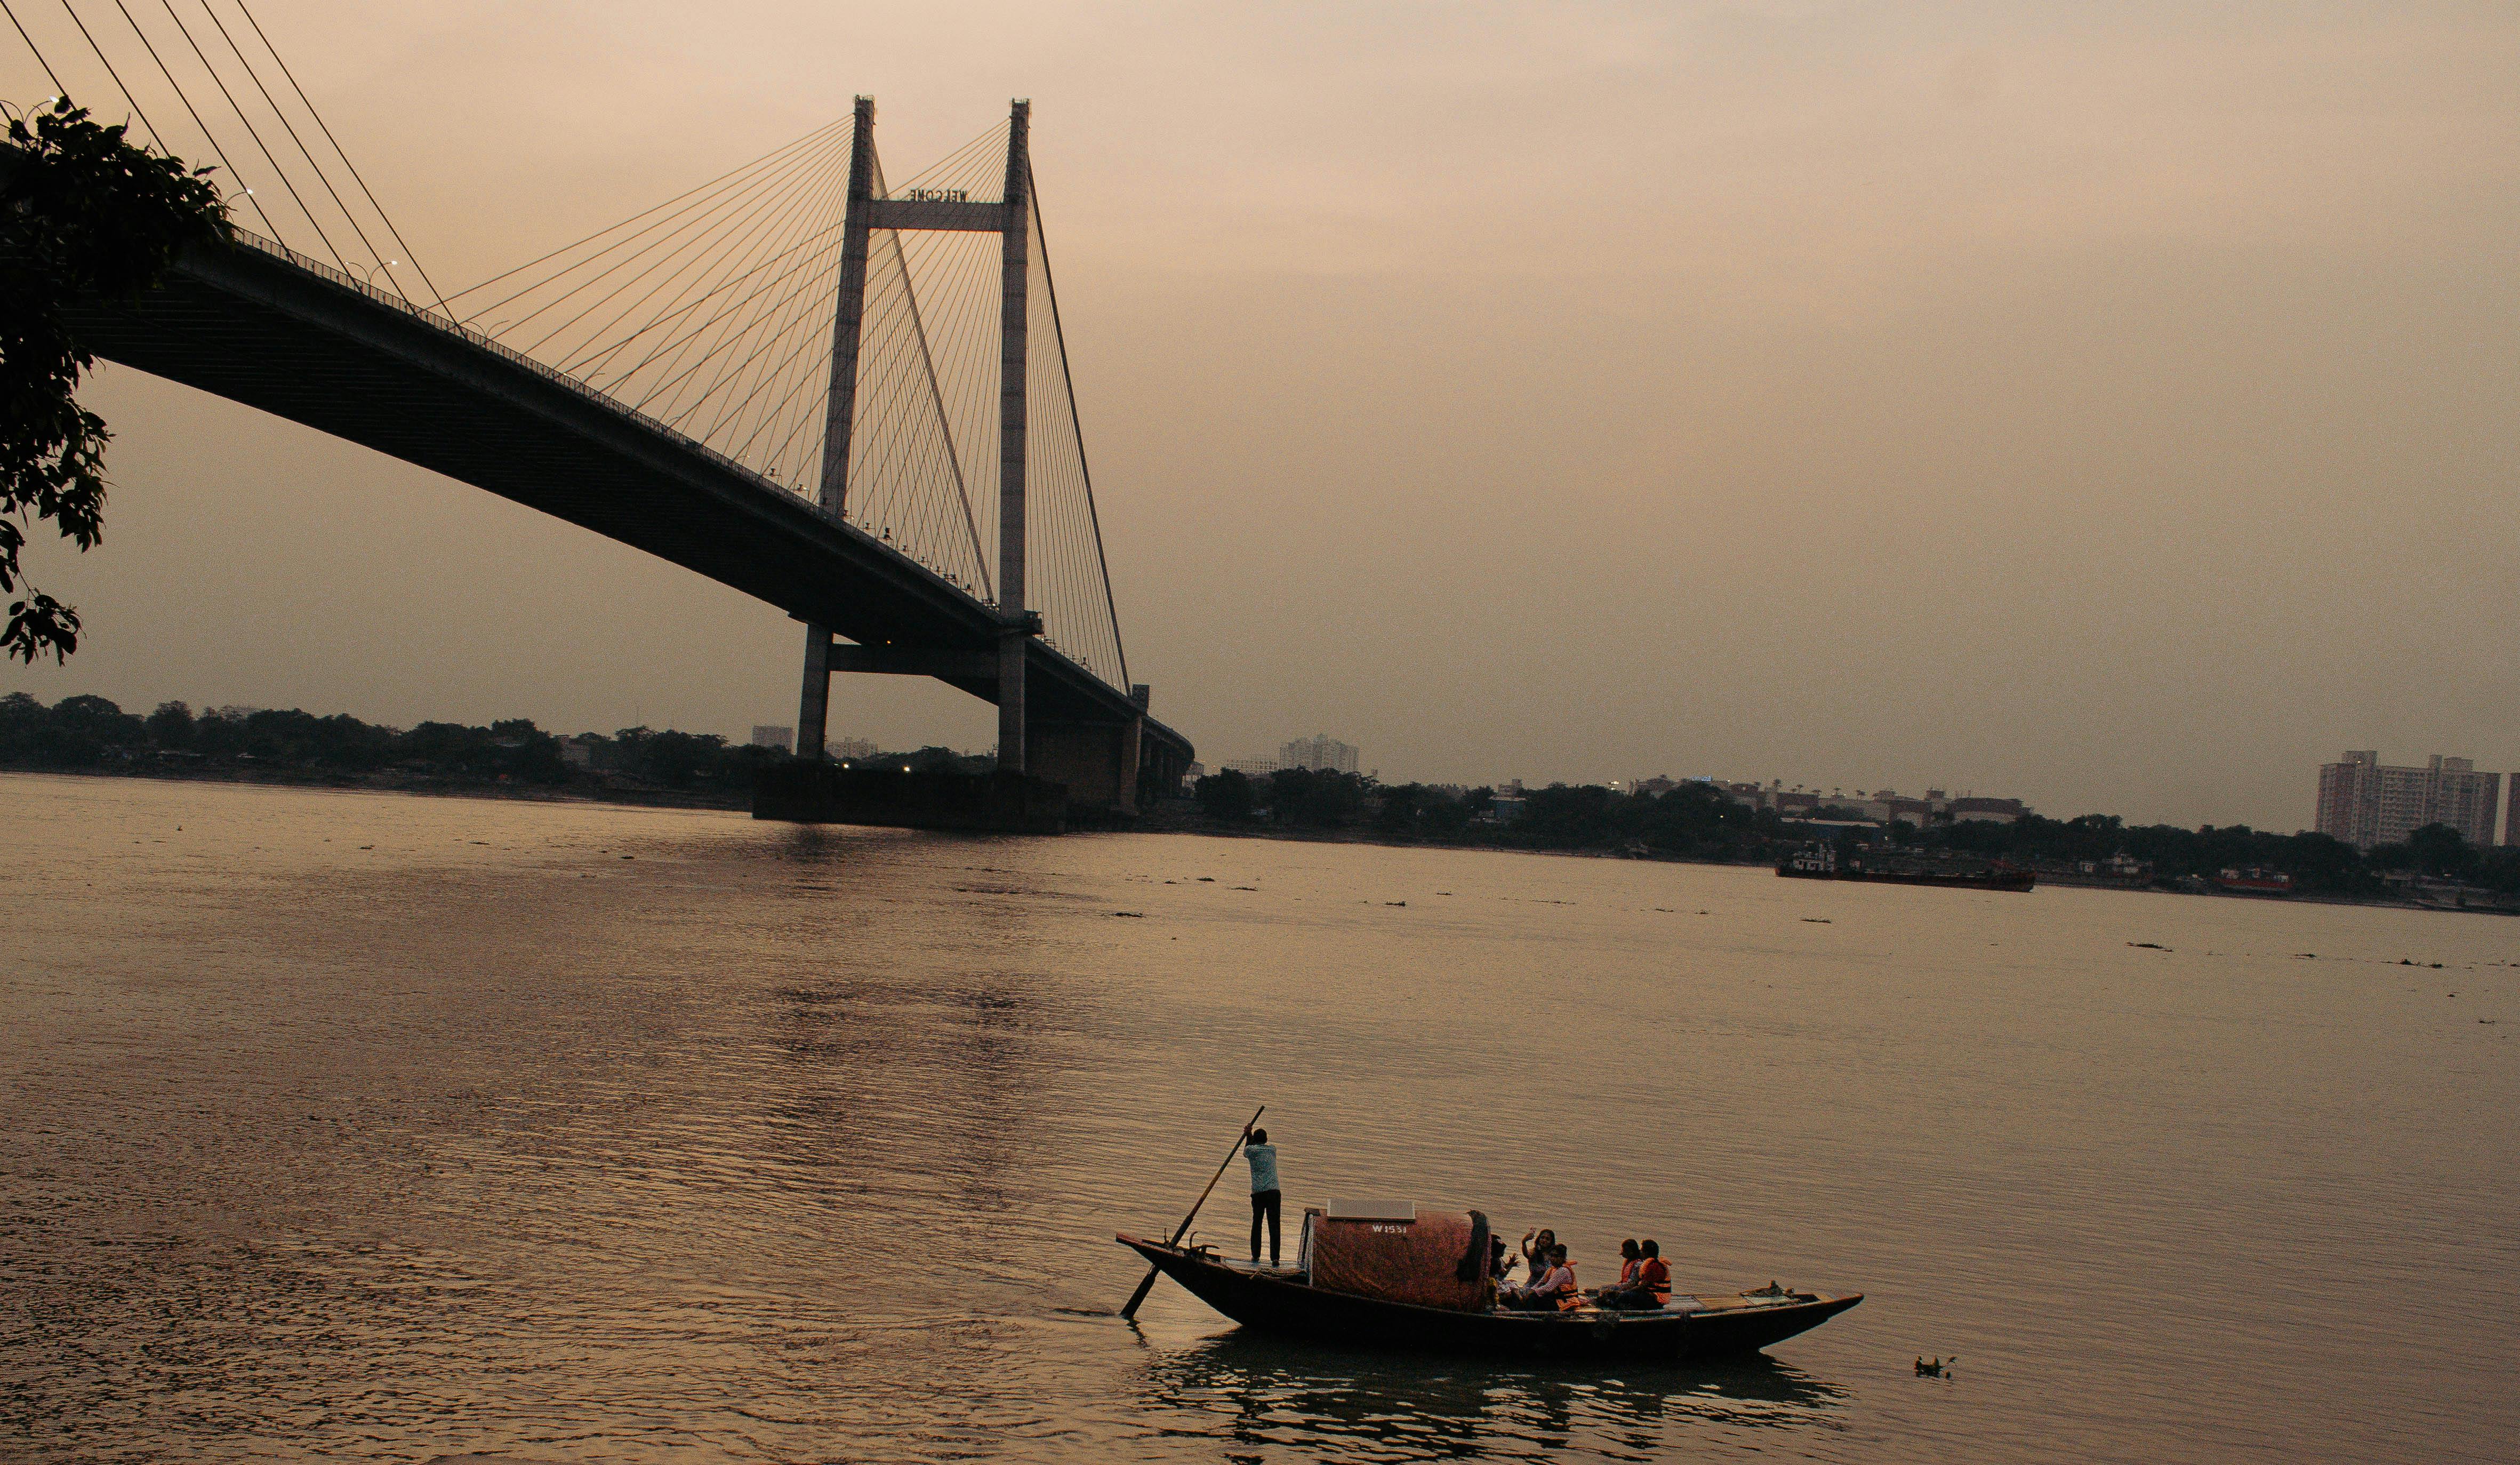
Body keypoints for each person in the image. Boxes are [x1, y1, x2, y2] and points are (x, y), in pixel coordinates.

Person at [1501, 1244, 1578, 1311]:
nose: (1553, 1258)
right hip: (1556, 1299)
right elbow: (1541, 1282)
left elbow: (1548, 1287)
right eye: (1551, 1256)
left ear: (1562, 1258)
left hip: (1564, 1303)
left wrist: (1533, 1293)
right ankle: (1521, 1310)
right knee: (1527, 1296)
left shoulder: (1563, 1270)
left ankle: (1527, 1316)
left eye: (1556, 1256)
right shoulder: (1552, 1269)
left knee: (1533, 1299)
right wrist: (1531, 1291)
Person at [1600, 1238, 1671, 1310]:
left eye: (1642, 1250)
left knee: (1624, 1295)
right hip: (1650, 1295)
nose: (1640, 1252)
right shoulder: (1650, 1264)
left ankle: (1628, 1308)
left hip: (1655, 1300)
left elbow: (1642, 1287)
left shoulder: (1654, 1267)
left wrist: (1621, 1292)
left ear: (1646, 1253)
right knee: (1621, 1295)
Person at [1244, 1127, 1281, 1265]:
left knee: (1257, 1223)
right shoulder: (1272, 1150)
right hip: (1274, 1192)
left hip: (1259, 1193)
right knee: (1275, 1225)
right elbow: (1253, 1146)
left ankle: (1255, 1256)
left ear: (1254, 1140)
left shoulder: (1250, 1150)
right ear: (1266, 1140)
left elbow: (1247, 1151)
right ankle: (1275, 1258)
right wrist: (1250, 1135)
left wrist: (1248, 1135)